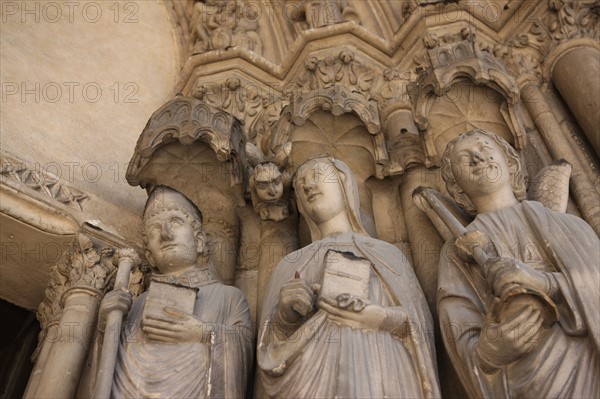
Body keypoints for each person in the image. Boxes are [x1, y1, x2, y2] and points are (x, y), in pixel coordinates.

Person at [257, 156, 440, 398]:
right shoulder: (290, 263)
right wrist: (285, 316)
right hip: (308, 378)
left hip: (381, 368)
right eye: (300, 185)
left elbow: (419, 326)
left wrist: (380, 318)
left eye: (317, 175)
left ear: (344, 184)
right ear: (299, 205)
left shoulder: (387, 254)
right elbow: (268, 350)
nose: (308, 186)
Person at [437, 129, 600, 398]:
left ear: (510, 161)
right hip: (525, 375)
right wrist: (489, 352)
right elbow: (458, 326)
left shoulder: (569, 225)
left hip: (585, 359)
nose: (478, 158)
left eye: (485, 147)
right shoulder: (455, 254)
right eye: (464, 158)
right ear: (457, 187)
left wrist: (545, 282)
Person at [88, 186, 253, 398]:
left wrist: (203, 333)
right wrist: (106, 326)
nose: (165, 235)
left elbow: (244, 353)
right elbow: (104, 374)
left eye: (175, 223)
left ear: (200, 241)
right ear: (148, 254)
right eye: (155, 229)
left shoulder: (228, 297)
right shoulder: (136, 304)